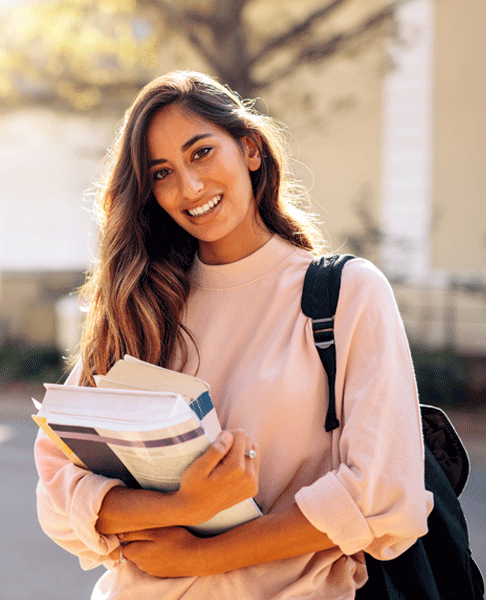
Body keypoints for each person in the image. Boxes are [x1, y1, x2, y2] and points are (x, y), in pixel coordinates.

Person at [34, 70, 433, 599]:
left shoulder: (345, 295)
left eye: (201, 153)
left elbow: (381, 494)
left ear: (249, 149)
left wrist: (199, 554)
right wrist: (182, 508)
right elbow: (59, 492)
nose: (189, 187)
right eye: (161, 173)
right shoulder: (141, 305)